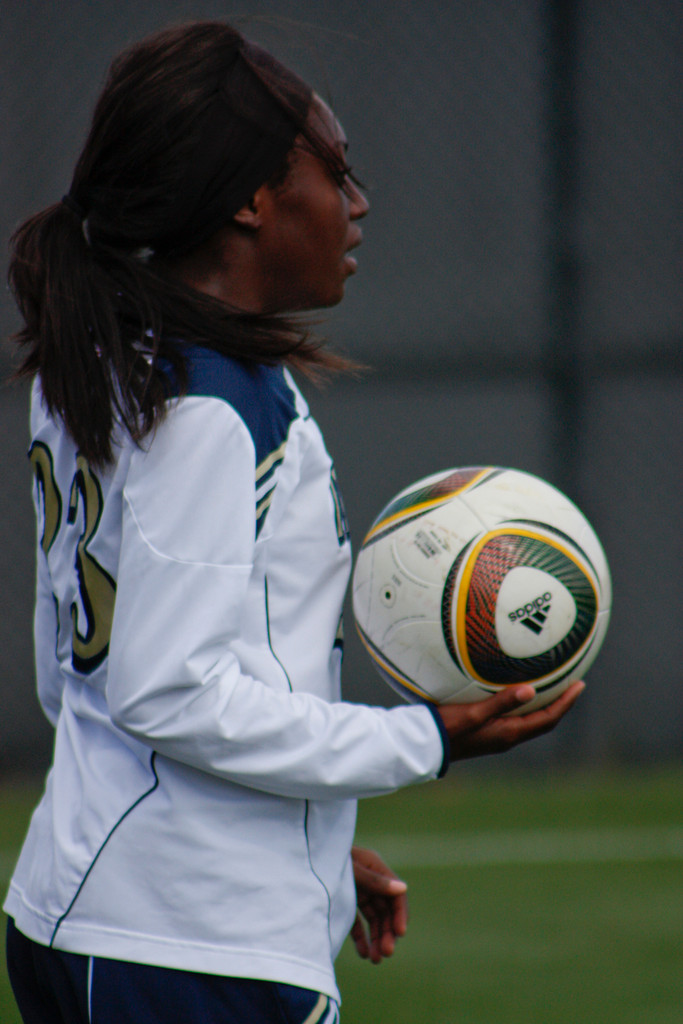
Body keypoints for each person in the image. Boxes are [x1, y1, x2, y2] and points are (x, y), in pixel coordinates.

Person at [3, 20, 584, 1024]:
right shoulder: (211, 406)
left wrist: (300, 844)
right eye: (336, 173)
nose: (357, 205)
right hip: (186, 953)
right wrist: (424, 739)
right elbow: (169, 691)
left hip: (104, 914)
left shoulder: (102, 359)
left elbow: (79, 680)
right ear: (250, 201)